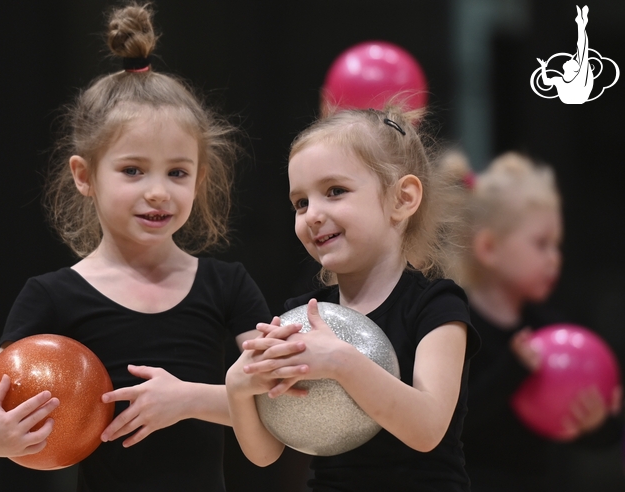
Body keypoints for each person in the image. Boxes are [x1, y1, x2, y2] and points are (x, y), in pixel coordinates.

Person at [0, 4, 280, 491]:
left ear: (200, 179)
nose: (157, 191)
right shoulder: (52, 297)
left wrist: (187, 399)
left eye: (177, 172)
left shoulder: (227, 286)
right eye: (132, 170)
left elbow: (276, 419)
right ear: (85, 176)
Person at [225, 106, 481, 491]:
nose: (312, 215)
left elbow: (427, 428)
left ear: (402, 198)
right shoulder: (304, 315)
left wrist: (343, 362)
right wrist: (238, 387)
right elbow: (266, 451)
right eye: (301, 203)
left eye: (335, 192)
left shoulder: (437, 304)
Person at [442, 150, 622, 492]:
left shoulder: (550, 329)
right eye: (542, 244)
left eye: (557, 245)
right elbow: (450, 424)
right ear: (489, 248)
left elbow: (603, 438)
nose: (555, 259)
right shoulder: (456, 325)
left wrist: (598, 424)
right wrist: (513, 370)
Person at [537, 5, 593, 104]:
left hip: (578, 96)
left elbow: (583, 50)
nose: (570, 59)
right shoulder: (560, 80)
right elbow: (546, 82)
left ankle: (581, 23)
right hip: (574, 97)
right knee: (582, 51)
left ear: (574, 69)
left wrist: (543, 67)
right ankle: (581, 23)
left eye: (572, 61)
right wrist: (543, 67)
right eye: (573, 60)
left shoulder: (577, 78)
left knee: (582, 50)